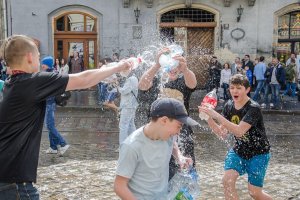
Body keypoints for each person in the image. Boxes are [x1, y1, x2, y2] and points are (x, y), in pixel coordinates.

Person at [0, 35, 132, 199]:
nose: (39, 61)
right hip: (15, 183)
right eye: (38, 57)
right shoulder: (32, 81)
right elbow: (83, 79)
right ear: (29, 57)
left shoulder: (11, 83)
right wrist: (119, 66)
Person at [199, 74, 272, 200]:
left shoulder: (253, 108)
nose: (234, 91)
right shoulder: (229, 105)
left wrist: (215, 114)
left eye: (239, 88)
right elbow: (222, 132)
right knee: (227, 181)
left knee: (254, 193)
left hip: (258, 154)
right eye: (232, 88)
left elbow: (239, 131)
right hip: (239, 151)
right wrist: (207, 117)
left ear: (247, 89)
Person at [114, 98, 197, 199]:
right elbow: (119, 186)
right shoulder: (132, 146)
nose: (179, 132)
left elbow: (173, 144)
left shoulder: (167, 136)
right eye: (178, 126)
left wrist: (179, 157)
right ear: (164, 120)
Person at [138, 47, 197, 180]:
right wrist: (157, 64)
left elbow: (193, 84)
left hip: (181, 132)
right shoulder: (157, 80)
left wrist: (185, 69)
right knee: (160, 170)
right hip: (158, 133)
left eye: (175, 63)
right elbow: (142, 86)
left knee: (186, 167)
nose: (172, 67)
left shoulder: (183, 80)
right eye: (168, 62)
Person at [41, 56, 70, 155]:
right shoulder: (52, 72)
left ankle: (63, 143)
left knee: (50, 126)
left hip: (49, 102)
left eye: (43, 64)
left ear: (47, 65)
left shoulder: (48, 74)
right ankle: (53, 147)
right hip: (50, 102)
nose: (42, 65)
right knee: (50, 125)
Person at [117, 69, 139, 145]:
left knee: (123, 125)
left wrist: (117, 86)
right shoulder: (134, 78)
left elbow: (124, 91)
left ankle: (123, 145)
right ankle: (134, 142)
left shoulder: (131, 79)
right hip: (131, 105)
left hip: (128, 105)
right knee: (130, 124)